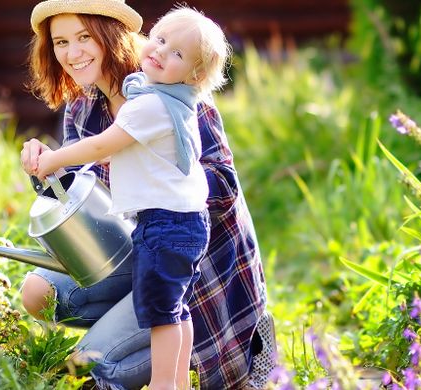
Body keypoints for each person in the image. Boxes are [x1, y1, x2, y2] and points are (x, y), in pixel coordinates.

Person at [21, 1, 275, 388]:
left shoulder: (171, 84)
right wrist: (48, 167)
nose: (72, 54)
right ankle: (137, 336)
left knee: (90, 364)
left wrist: (147, 163)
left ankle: (196, 356)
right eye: (61, 42)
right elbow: (80, 197)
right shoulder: (83, 106)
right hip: (138, 245)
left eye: (85, 37)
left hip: (193, 262)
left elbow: (223, 187)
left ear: (111, 33)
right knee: (38, 293)